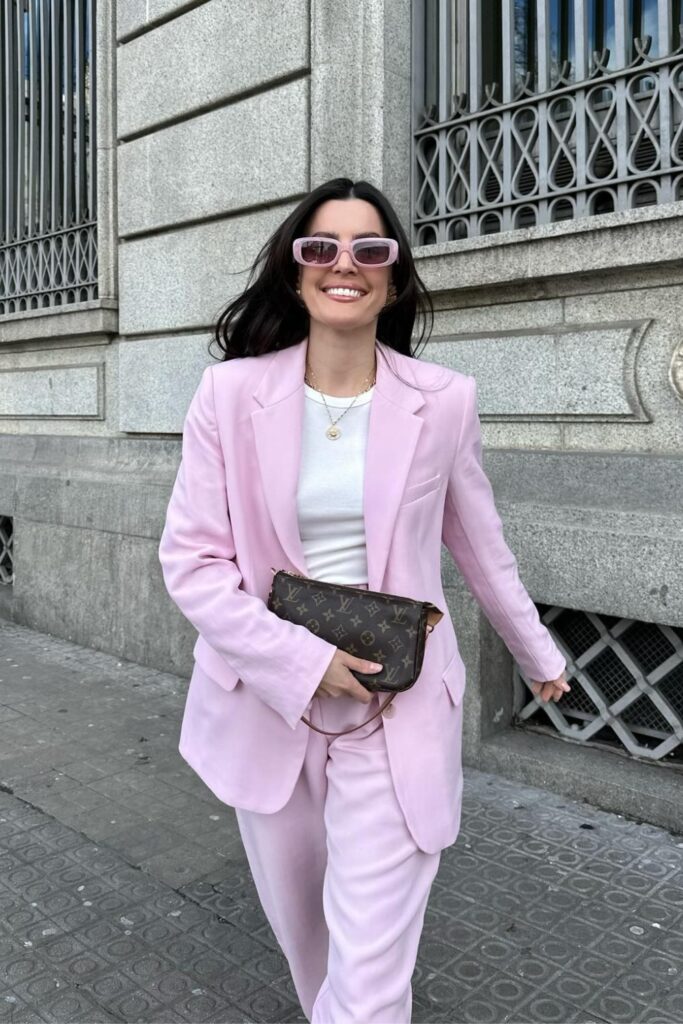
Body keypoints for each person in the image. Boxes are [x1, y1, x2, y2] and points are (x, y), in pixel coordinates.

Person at [158, 177, 570, 1023]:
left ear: (395, 276)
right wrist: (306, 664)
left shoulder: (442, 400)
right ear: (294, 270)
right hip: (270, 704)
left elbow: (479, 542)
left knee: (372, 964)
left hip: (401, 706)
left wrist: (537, 656)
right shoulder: (230, 396)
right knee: (310, 943)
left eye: (368, 250)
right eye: (320, 248)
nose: (343, 264)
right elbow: (194, 562)